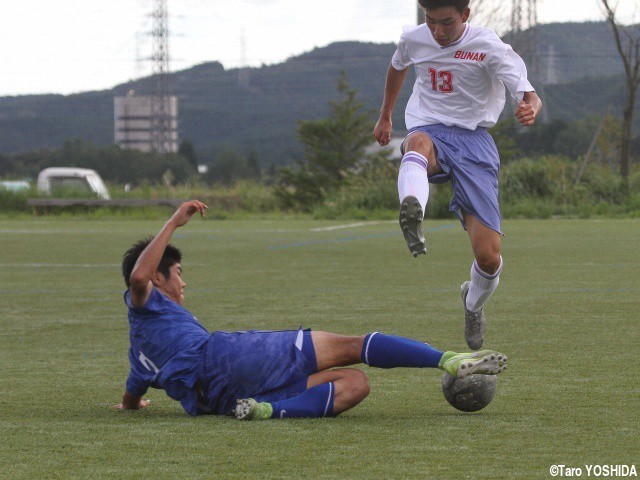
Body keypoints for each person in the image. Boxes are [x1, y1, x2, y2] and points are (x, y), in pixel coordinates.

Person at [114, 200, 508, 420]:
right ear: (158, 280)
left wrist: (133, 404)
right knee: (351, 344)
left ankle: (269, 411)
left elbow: (133, 393)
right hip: (230, 359)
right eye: (178, 273)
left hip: (217, 401)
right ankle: (449, 360)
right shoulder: (146, 303)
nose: (183, 283)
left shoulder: (140, 353)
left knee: (355, 384)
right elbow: (138, 279)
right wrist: (173, 223)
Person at [373, 0, 542, 350]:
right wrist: (386, 115)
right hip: (430, 128)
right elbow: (397, 66)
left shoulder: (489, 47)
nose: (437, 31)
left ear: (465, 16)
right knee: (415, 143)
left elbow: (529, 94)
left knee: (488, 258)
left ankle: (472, 303)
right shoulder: (414, 39)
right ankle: (412, 208)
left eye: (446, 23)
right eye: (430, 21)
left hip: (474, 141)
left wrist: (529, 107)